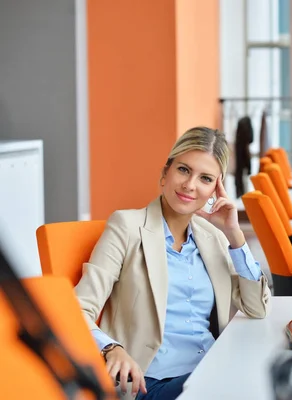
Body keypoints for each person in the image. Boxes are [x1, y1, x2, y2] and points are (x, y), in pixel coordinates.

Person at [75, 127, 272, 399]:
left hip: (212, 369)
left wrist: (235, 236)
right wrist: (112, 349)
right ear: (165, 173)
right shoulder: (127, 226)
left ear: (216, 189)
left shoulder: (213, 238)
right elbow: (77, 309)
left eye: (205, 178)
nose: (190, 185)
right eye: (183, 170)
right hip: (151, 382)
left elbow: (257, 307)